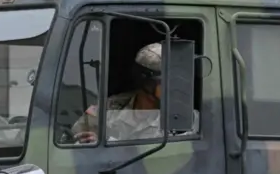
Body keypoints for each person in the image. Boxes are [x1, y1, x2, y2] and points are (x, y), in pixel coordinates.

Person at [70, 41, 198, 144]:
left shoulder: (186, 119)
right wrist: (89, 141)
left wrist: (108, 143)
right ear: (146, 82)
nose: (176, 88)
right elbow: (74, 136)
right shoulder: (110, 108)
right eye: (167, 82)